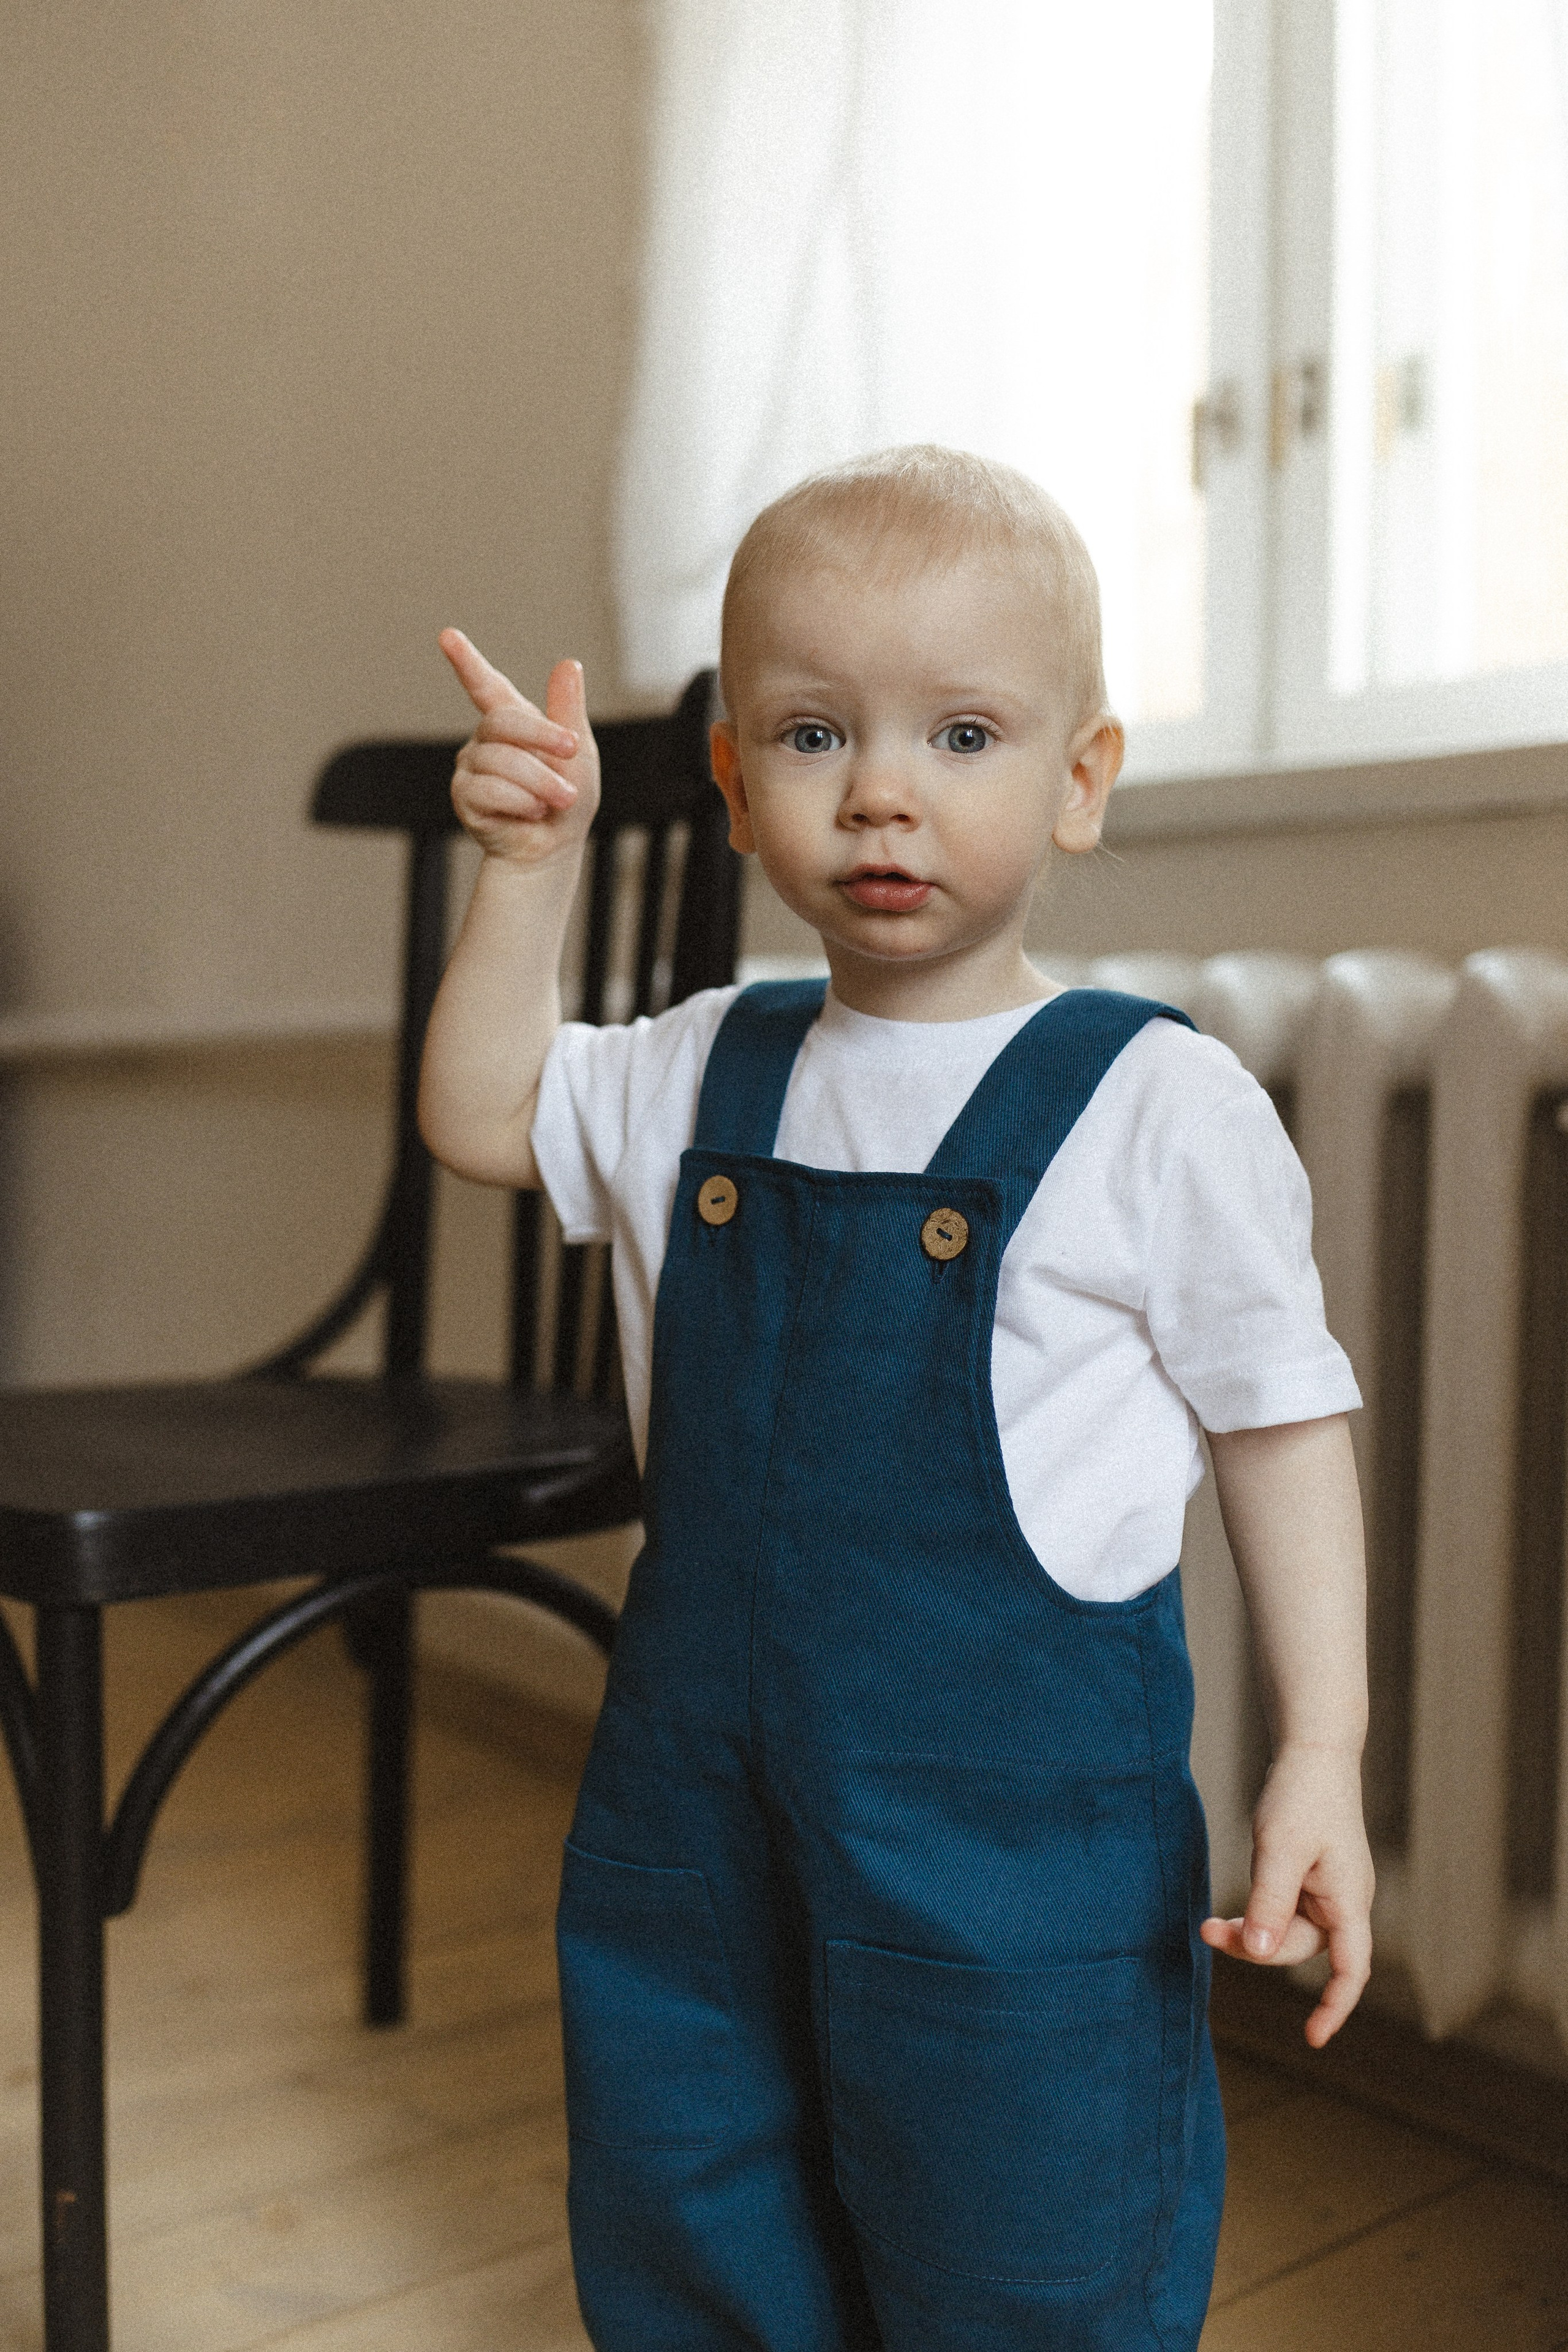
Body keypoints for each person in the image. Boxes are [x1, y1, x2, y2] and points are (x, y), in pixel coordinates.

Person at [419, 445, 1373, 2352]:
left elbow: (1282, 1425)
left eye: (961, 734)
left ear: (1080, 781)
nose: (880, 790)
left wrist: (1322, 1752)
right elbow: (482, 1114)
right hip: (702, 1837)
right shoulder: (696, 1065)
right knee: (701, 2205)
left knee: (1024, 2249)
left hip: (1014, 1875)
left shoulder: (1154, 1108)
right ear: (732, 788)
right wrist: (528, 877)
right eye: (811, 734)